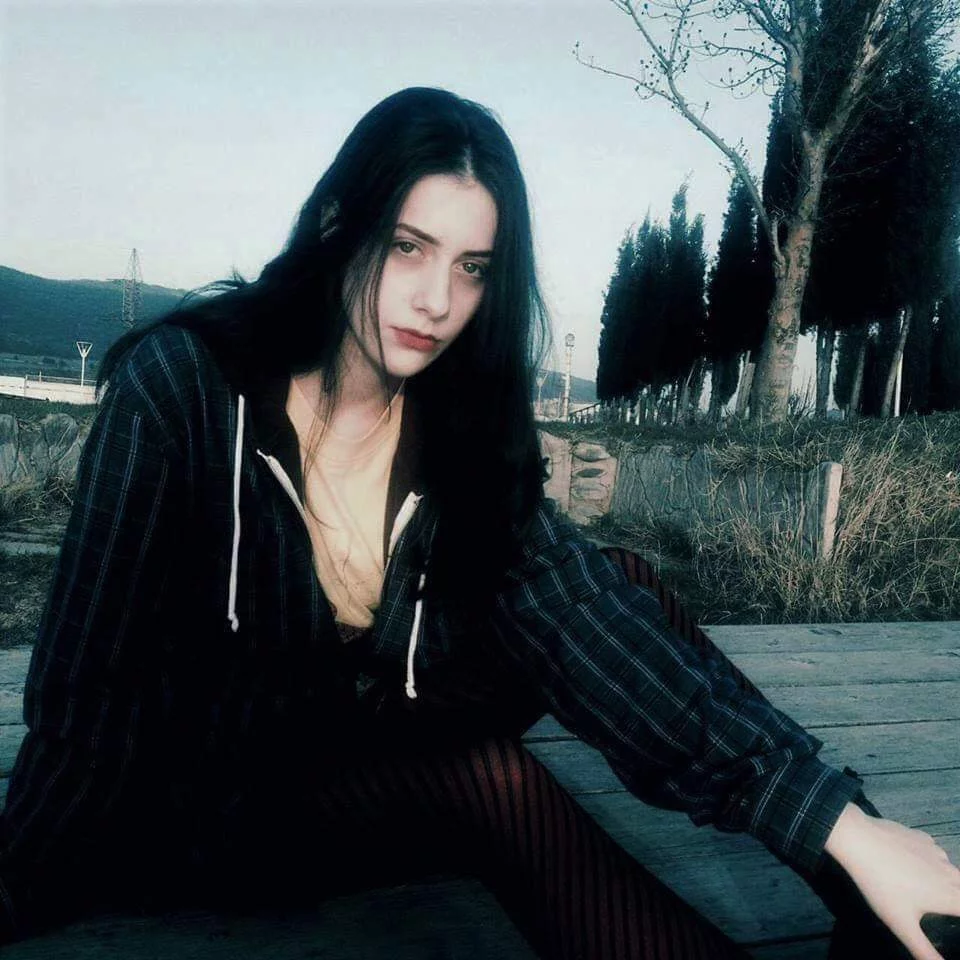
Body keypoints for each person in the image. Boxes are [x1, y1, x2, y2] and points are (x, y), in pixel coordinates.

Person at [1, 86, 958, 960]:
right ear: (337, 224)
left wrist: (835, 822)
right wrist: (25, 881)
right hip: (218, 799)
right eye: (407, 247)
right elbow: (85, 687)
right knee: (488, 776)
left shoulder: (456, 416)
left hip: (368, 719)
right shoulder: (184, 390)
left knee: (618, 585)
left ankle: (889, 896)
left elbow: (573, 607)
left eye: (471, 268)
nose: (437, 301)